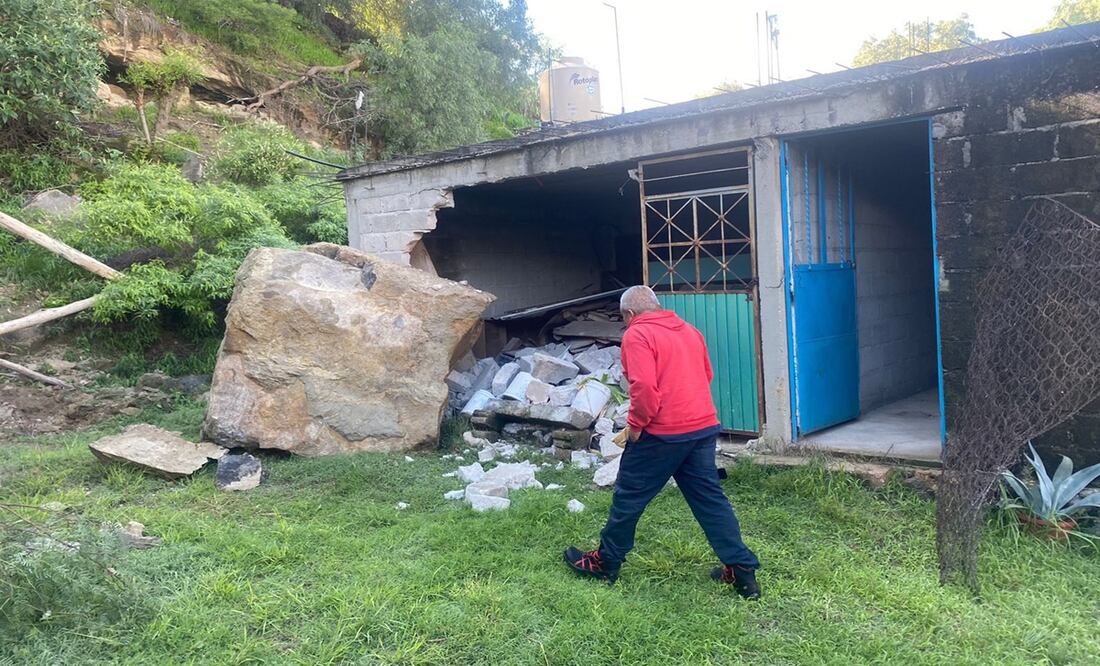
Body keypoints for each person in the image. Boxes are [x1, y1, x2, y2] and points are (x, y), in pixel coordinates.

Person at [563, 285, 761, 599]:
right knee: (710, 501)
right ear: (657, 306)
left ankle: (606, 562)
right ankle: (741, 571)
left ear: (629, 314)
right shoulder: (690, 331)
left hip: (663, 433)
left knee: (628, 499)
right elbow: (705, 375)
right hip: (703, 427)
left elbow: (644, 389)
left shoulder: (637, 335)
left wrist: (636, 427)